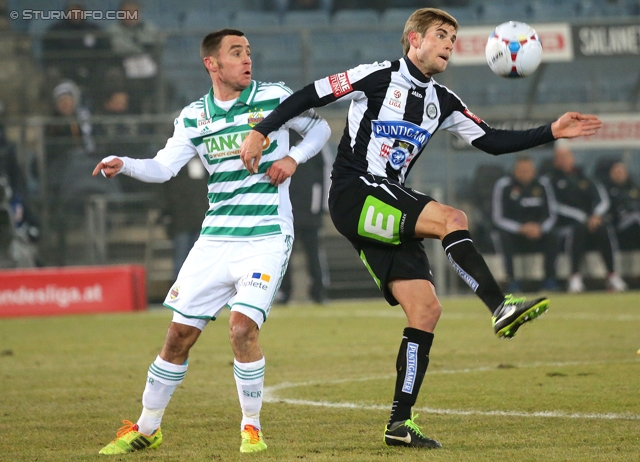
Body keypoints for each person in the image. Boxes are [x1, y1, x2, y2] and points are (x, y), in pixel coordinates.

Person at [240, 7, 602, 449]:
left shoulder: (444, 101)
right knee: (453, 219)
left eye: (453, 36)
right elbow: (309, 95)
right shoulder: (375, 76)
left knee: (427, 311)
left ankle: (399, 423)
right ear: (414, 40)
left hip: (387, 199)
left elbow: (490, 140)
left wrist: (552, 131)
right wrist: (262, 130)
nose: (449, 43)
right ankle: (499, 305)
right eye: (440, 34)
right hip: (356, 191)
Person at [92, 29, 330, 454]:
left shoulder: (274, 96)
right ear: (212, 64)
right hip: (215, 239)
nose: (246, 59)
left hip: (265, 236)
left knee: (242, 328)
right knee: (177, 336)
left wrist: (293, 158)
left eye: (248, 52)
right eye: (235, 53)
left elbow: (319, 129)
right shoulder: (193, 117)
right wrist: (123, 164)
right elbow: (164, 168)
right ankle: (147, 428)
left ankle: (251, 427)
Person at [543, 144, 627, 293]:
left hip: (591, 222)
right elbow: (554, 205)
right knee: (577, 230)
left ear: (573, 158)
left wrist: (595, 215)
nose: (564, 161)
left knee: (603, 229)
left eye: (566, 157)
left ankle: (612, 275)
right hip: (565, 224)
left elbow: (603, 199)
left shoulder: (585, 177)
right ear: (555, 161)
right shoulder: (550, 180)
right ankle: (574, 277)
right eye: (560, 158)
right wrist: (583, 218)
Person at [491, 156, 559, 292]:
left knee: (554, 235)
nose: (524, 174)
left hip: (538, 232)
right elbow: (497, 217)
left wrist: (540, 228)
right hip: (514, 233)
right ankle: (511, 281)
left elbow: (552, 214)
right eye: (521, 170)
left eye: (528, 170)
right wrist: (520, 228)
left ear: (534, 171)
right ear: (514, 171)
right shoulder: (503, 185)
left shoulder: (543, 184)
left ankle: (550, 280)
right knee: (502, 237)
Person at [277, 132, 330, 304]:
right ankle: (284, 292)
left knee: (314, 253)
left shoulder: (313, 137)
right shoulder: (281, 136)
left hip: (309, 210)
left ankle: (318, 291)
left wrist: (321, 206)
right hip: (287, 210)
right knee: (283, 255)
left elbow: (325, 171)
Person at [42, 3, 110, 108]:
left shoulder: (93, 29)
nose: (75, 14)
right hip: (65, 70)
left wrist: (93, 68)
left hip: (92, 70)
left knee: (108, 73)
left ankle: (101, 110)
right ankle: (56, 114)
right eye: (72, 11)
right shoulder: (56, 30)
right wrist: (73, 69)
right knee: (52, 74)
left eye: (78, 11)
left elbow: (105, 51)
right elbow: (50, 56)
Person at [107, 1, 160, 113]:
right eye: (126, 12)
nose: (130, 15)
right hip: (121, 66)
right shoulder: (113, 29)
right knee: (135, 87)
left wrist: (134, 47)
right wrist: (140, 48)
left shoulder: (147, 27)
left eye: (133, 12)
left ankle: (154, 115)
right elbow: (119, 47)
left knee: (165, 86)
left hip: (146, 68)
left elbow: (153, 42)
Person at [605, 161, 640, 251]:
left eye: (620, 172)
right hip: (617, 222)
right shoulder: (607, 190)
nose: (618, 175)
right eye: (615, 173)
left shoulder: (634, 188)